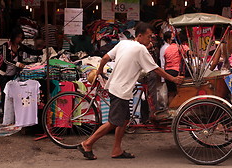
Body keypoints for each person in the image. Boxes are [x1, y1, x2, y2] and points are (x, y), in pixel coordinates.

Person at [77, 22, 183, 160]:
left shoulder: (123, 43)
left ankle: (116, 149)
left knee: (125, 119)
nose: (150, 39)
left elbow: (104, 58)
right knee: (114, 122)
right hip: (120, 90)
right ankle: (87, 143)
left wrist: (99, 72)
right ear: (139, 36)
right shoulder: (140, 49)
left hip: (117, 87)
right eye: (149, 36)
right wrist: (173, 79)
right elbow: (155, 69)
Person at [0, 27, 43, 112]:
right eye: (18, 37)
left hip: (13, 74)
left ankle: (13, 113)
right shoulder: (6, 45)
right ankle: (5, 113)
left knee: (14, 94)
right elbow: (6, 60)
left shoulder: (20, 46)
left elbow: (31, 51)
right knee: (5, 94)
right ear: (13, 36)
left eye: (20, 37)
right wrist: (18, 64)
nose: (19, 39)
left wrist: (44, 51)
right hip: (3, 74)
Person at [163, 32, 189, 103]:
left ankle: (170, 110)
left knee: (171, 93)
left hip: (167, 73)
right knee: (179, 93)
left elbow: (165, 62)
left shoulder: (167, 49)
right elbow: (189, 53)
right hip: (176, 72)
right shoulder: (181, 47)